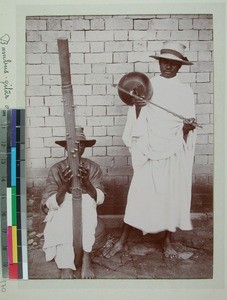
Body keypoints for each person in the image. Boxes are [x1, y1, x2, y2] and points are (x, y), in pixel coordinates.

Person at [104, 41, 197, 259]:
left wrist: (187, 127)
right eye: (165, 62)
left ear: (180, 67)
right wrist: (137, 106)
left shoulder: (186, 92)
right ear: (159, 63)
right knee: (139, 193)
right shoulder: (145, 86)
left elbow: (186, 126)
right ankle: (122, 241)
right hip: (148, 148)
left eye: (174, 64)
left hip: (173, 149)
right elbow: (136, 119)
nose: (168, 67)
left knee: (170, 194)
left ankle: (167, 242)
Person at [41, 127, 105, 279]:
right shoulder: (56, 169)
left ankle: (86, 259)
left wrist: (86, 182)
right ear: (65, 147)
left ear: (84, 147)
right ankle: (66, 264)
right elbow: (48, 204)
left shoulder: (93, 167)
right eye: (72, 144)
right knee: (63, 215)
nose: (77, 148)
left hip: (86, 207)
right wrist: (65, 185)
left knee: (89, 206)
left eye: (81, 144)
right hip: (62, 207)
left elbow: (99, 199)